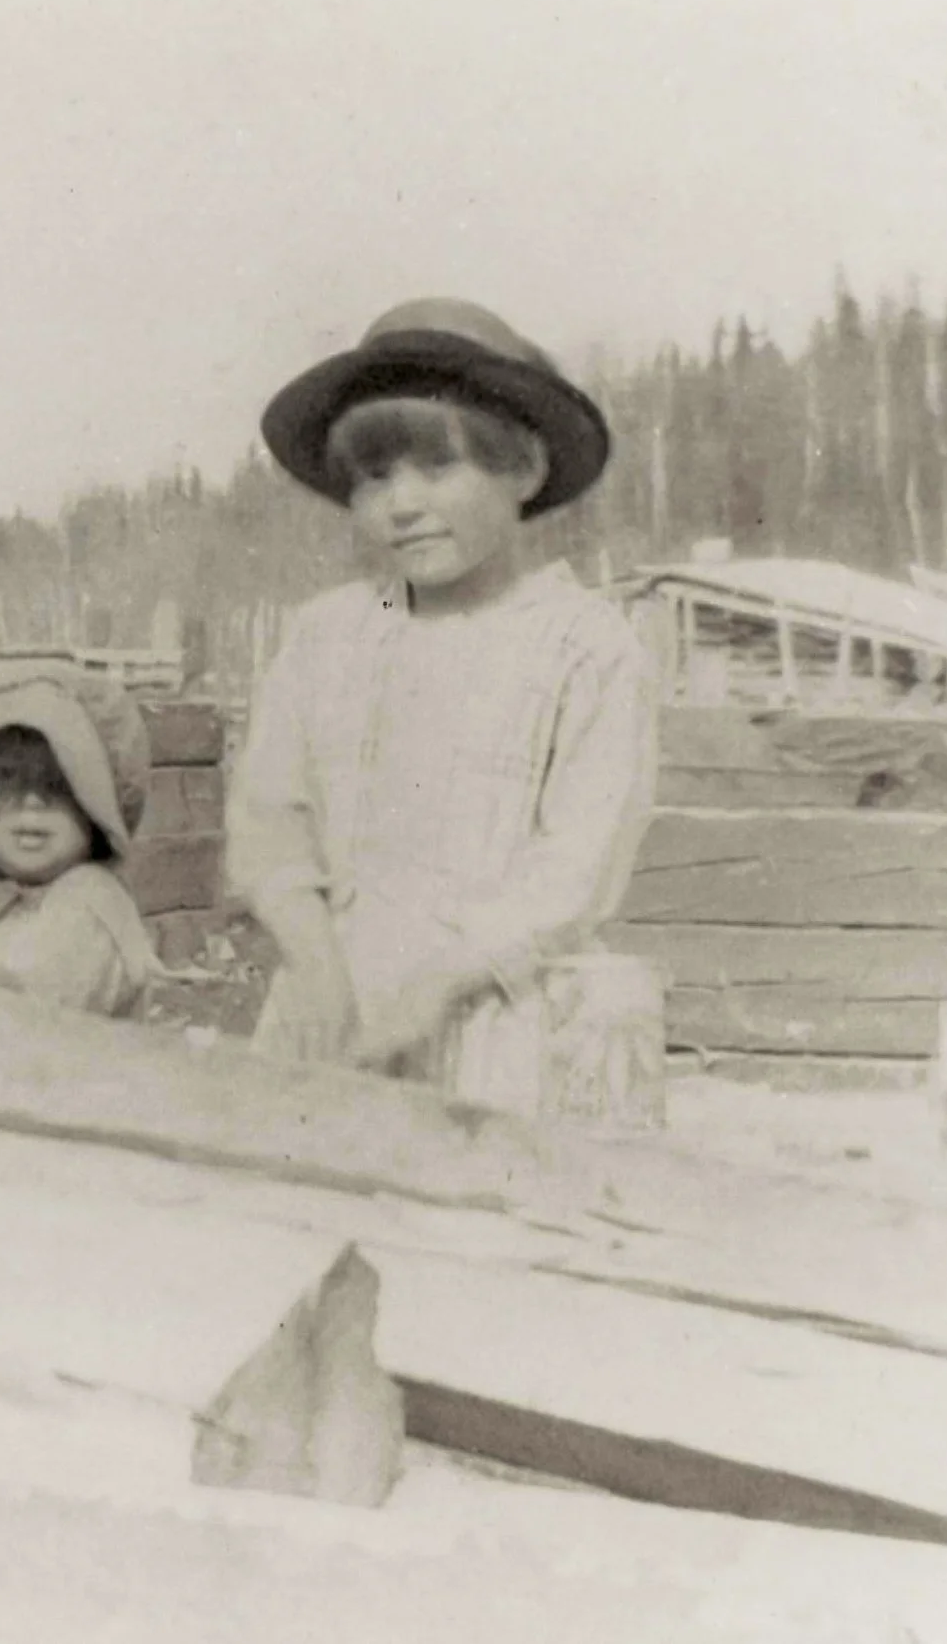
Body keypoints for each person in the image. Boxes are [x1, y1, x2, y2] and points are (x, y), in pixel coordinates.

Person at [228, 297, 660, 1116]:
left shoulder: (586, 648)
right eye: (373, 478)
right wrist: (319, 969)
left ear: (522, 470)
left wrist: (437, 985)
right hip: (327, 1009)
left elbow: (577, 866)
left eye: (437, 468)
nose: (401, 505)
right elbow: (269, 823)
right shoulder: (326, 636)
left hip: (491, 1015)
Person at [0, 661, 156, 1019]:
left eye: (61, 779)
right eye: (5, 775)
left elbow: (17, 1018)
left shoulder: (90, 902)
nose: (32, 798)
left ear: (97, 808)